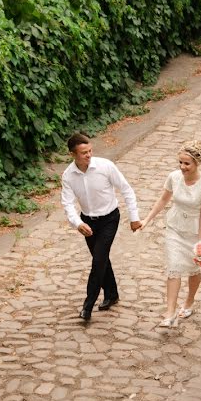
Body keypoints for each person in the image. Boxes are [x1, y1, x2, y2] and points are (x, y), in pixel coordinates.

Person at [61, 133, 142, 321]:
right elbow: (67, 203)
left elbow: (126, 189)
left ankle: (87, 307)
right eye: (83, 153)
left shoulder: (106, 166)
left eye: (90, 150)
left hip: (109, 219)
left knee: (98, 261)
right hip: (87, 222)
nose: (88, 155)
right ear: (73, 154)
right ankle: (112, 294)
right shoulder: (68, 175)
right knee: (101, 258)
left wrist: (134, 217)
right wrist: (78, 223)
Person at [139, 140, 201, 327]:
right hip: (174, 227)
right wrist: (147, 220)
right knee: (173, 267)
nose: (182, 167)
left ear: (197, 162)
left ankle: (189, 301)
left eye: (186, 163)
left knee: (193, 269)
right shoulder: (173, 177)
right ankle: (170, 312)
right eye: (180, 162)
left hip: (194, 232)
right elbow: (163, 199)